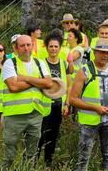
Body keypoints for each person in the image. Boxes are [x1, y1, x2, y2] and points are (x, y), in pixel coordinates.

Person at [1, 35, 54, 171]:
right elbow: (13, 87)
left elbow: (48, 83)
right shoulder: (9, 63)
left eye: (28, 45)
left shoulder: (40, 62)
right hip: (14, 115)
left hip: (35, 113)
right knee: (10, 152)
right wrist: (37, 81)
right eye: (22, 45)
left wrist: (24, 78)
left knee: (31, 153)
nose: (26, 48)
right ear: (16, 48)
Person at [69, 38, 108, 171]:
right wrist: (95, 108)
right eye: (101, 52)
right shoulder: (84, 71)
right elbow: (72, 99)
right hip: (89, 123)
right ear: (95, 52)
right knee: (84, 158)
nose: (105, 55)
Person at [38, 31, 69, 168]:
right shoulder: (40, 64)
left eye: (56, 47)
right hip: (43, 105)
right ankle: (34, 161)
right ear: (46, 47)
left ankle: (47, 163)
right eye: (51, 46)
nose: (53, 49)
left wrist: (67, 103)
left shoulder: (64, 64)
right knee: (40, 134)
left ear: (60, 48)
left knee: (53, 135)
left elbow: (68, 85)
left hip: (58, 105)